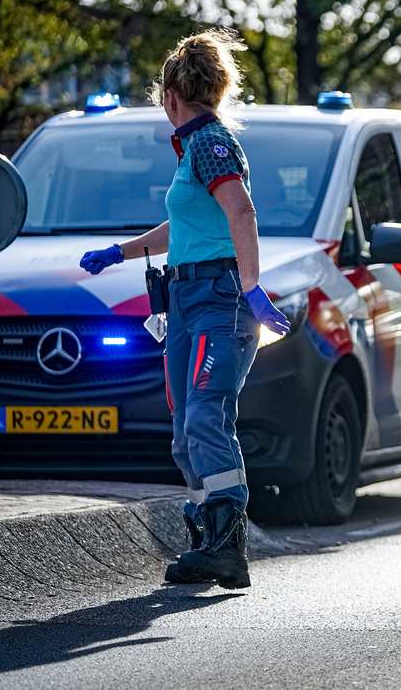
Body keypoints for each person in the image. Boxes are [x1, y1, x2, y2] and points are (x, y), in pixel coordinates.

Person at [79, 30, 290, 589]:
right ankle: (206, 539)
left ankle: (227, 547)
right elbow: (191, 226)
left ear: (171, 95)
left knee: (205, 415)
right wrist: (120, 253)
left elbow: (240, 213)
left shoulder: (208, 143)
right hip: (187, 296)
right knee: (184, 428)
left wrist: (250, 287)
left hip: (219, 298)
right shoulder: (194, 148)